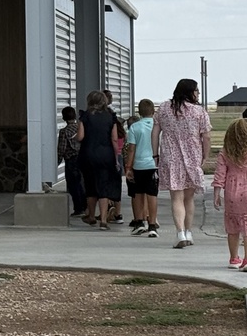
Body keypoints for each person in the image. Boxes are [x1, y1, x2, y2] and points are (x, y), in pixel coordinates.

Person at [152, 78, 211, 249]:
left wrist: (155, 153)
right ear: (190, 92)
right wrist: (205, 156)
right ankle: (189, 231)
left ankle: (179, 233)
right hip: (193, 158)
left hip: (170, 158)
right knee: (189, 197)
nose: (198, 93)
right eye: (196, 91)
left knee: (176, 198)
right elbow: (206, 136)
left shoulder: (163, 108)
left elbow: (155, 132)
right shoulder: (199, 111)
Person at [213, 118, 247, 271]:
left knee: (233, 228)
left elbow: (220, 174)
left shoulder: (225, 152)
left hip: (232, 193)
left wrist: (217, 193)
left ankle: (233, 258)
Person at [75, 90, 119, 230]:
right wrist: (116, 158)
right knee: (103, 186)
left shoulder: (85, 116)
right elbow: (114, 138)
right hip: (106, 155)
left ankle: (91, 216)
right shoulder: (111, 117)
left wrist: (75, 137)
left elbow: (80, 137)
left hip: (88, 154)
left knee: (90, 185)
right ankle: (104, 220)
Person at [124, 99, 160, 238]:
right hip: (153, 164)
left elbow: (131, 149)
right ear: (153, 111)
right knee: (152, 195)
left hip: (138, 165)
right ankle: (152, 224)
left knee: (138, 193)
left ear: (139, 112)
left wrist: (128, 166)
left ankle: (139, 222)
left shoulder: (134, 127)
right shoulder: (157, 127)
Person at [57, 106, 86, 217]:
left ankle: (78, 209)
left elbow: (61, 148)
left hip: (71, 160)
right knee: (83, 183)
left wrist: (58, 161)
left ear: (64, 117)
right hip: (83, 158)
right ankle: (85, 207)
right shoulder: (81, 128)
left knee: (74, 185)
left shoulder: (64, 132)